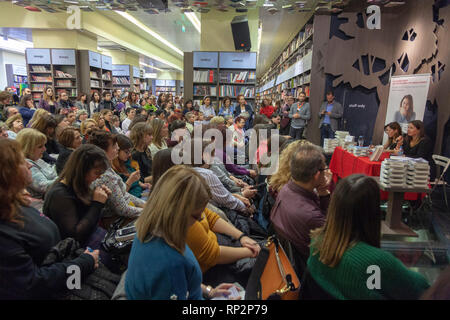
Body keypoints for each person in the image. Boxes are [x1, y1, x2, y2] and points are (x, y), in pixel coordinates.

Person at [0, 139, 99, 299]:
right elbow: (32, 284)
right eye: (21, 162)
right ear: (6, 173)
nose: (30, 165)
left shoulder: (15, 203)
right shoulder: (4, 232)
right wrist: (83, 264)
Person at [306, 174, 429, 299]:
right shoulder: (375, 261)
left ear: (335, 206)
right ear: (373, 212)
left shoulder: (316, 241)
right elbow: (420, 288)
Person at [125, 165, 237, 300]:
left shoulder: (148, 230)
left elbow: (183, 283)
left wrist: (209, 291)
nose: (201, 218)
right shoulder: (170, 263)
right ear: (178, 213)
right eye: (196, 216)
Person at [271, 144, 331, 263]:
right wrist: (325, 192)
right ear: (317, 175)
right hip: (311, 266)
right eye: (325, 169)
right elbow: (332, 237)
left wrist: (322, 190)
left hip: (290, 258)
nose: (328, 171)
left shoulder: (286, 189)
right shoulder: (311, 215)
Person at [43, 144, 111, 248]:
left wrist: (102, 200)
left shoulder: (81, 186)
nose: (99, 177)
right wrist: (97, 204)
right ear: (82, 170)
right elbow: (75, 236)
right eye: (96, 173)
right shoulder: (60, 195)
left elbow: (91, 219)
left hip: (93, 238)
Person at [88, 130, 145, 220]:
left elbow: (124, 194)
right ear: (102, 151)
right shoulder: (105, 175)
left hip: (125, 213)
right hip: (116, 220)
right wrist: (148, 211)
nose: (118, 148)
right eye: (114, 146)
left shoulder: (106, 168)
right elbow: (122, 209)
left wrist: (145, 205)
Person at [189, 139, 253, 216]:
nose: (214, 157)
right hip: (218, 212)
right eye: (212, 154)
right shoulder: (207, 175)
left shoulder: (189, 171)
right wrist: (245, 208)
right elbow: (226, 200)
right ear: (204, 155)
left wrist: (237, 194)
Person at [16, 128, 57, 201]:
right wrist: (65, 177)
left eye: (44, 145)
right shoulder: (26, 164)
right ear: (28, 148)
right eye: (40, 146)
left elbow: (53, 172)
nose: (44, 149)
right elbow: (44, 186)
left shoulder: (37, 159)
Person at [112, 134, 151, 199]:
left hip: (140, 193)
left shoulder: (127, 161)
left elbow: (137, 181)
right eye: (126, 152)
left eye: (130, 151)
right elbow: (120, 196)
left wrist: (142, 184)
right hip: (132, 199)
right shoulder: (113, 170)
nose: (129, 154)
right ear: (117, 150)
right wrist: (130, 180)